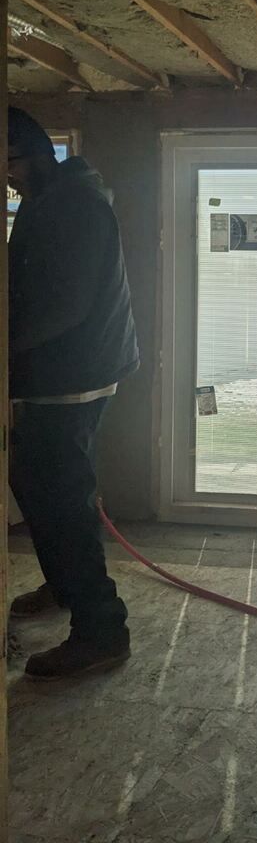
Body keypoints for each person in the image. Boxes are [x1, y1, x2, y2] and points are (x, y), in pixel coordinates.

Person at [7, 107, 139, 680]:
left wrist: (5, 344)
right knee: (34, 487)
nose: (7, 178)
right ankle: (64, 585)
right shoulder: (47, 199)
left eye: (9, 165)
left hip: (71, 377)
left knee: (62, 502)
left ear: (36, 155)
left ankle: (101, 630)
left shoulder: (74, 206)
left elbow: (64, 306)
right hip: (61, 373)